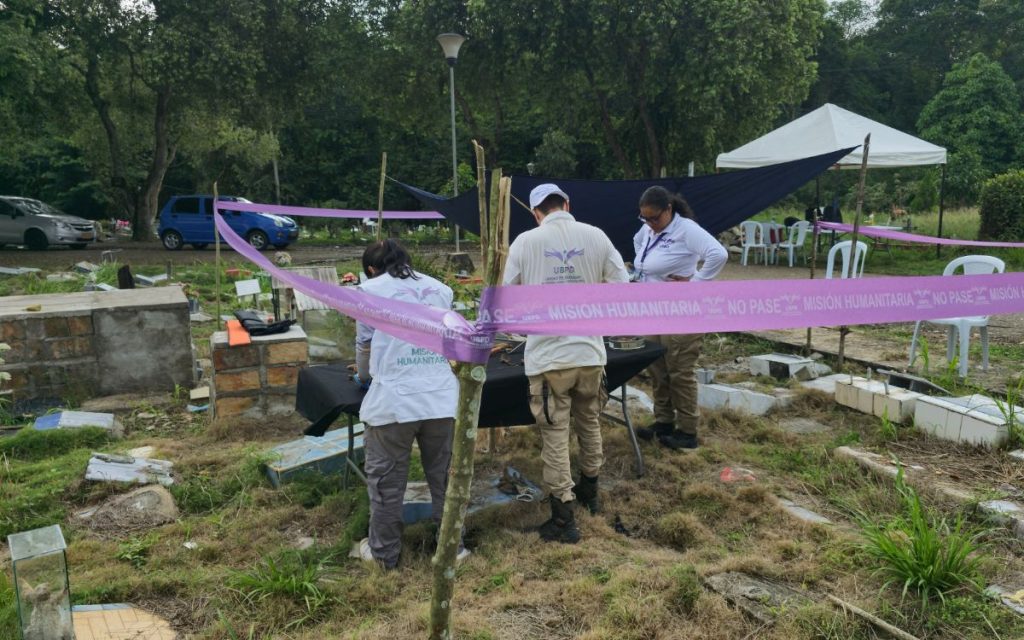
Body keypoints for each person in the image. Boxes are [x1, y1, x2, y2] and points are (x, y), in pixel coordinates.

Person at [503, 183, 630, 544]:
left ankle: (563, 517)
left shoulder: (525, 242)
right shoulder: (596, 236)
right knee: (590, 423)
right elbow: (622, 288)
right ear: (567, 204)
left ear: (535, 212)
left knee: (555, 433)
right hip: (590, 353)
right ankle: (591, 493)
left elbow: (506, 298)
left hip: (549, 356)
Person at [352, 239, 465, 568]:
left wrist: (363, 376)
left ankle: (384, 556)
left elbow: (365, 344)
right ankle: (452, 549)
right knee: (445, 476)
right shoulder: (440, 289)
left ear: (372, 269)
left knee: (386, 481)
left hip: (393, 401)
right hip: (441, 397)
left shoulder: (368, 290)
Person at [632, 186, 727, 450]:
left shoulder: (686, 229)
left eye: (654, 218)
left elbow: (718, 254)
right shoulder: (649, 230)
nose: (650, 223)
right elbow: (639, 243)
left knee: (680, 371)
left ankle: (687, 432)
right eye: (645, 218)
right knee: (657, 368)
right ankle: (663, 422)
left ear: (669, 210)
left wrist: (695, 281)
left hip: (682, 312)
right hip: (652, 311)